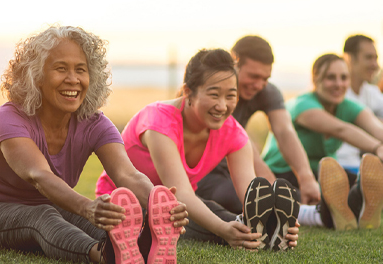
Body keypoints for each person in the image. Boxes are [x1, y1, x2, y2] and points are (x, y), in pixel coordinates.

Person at [0, 25, 188, 264]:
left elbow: (127, 174)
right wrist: (87, 206)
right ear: (36, 75)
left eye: (81, 70)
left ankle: (141, 244)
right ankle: (103, 254)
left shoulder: (94, 123)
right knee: (43, 216)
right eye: (61, 69)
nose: (73, 79)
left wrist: (160, 204)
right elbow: (39, 176)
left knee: (110, 217)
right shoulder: (9, 117)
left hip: (53, 202)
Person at [96, 48, 300, 251]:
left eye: (231, 95)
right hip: (124, 204)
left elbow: (250, 195)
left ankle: (268, 233)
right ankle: (254, 235)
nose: (222, 106)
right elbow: (181, 194)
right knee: (186, 216)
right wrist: (224, 229)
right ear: (188, 92)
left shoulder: (233, 133)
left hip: (178, 207)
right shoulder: (159, 122)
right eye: (214, 95)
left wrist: (271, 217)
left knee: (212, 212)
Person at [261, 53, 383, 230]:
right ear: (315, 78)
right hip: (285, 172)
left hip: (325, 174)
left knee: (366, 190)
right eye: (331, 77)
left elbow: (380, 129)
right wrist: (379, 147)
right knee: (295, 197)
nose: (339, 84)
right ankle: (342, 209)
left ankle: (355, 208)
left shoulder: (348, 106)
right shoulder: (302, 105)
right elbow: (340, 129)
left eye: (344, 78)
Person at [194, 36, 320, 214]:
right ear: (233, 64)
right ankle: (305, 213)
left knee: (294, 194)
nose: (259, 85)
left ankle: (321, 211)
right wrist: (269, 183)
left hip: (238, 170)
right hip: (206, 173)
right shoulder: (215, 93)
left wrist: (306, 177)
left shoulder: (267, 92)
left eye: (265, 78)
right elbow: (241, 140)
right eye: (253, 76)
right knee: (239, 198)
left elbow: (285, 132)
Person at [335, 35, 383, 182]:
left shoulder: (370, 92)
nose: (375, 65)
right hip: (341, 166)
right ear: (349, 59)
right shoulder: (335, 94)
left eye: (376, 58)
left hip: (361, 164)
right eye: (369, 58)